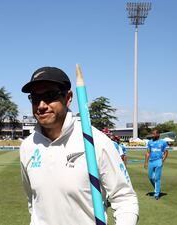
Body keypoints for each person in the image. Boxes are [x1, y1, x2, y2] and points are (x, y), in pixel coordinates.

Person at [20, 66, 139, 225]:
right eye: (35, 98)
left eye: (50, 95)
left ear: (68, 97)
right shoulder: (28, 146)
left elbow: (124, 198)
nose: (41, 105)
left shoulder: (96, 141)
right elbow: (33, 200)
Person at [144, 129, 168, 200]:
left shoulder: (163, 142)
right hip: (151, 161)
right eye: (152, 134)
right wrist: (146, 162)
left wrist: (162, 160)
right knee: (150, 177)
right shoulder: (150, 142)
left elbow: (166, 152)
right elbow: (148, 152)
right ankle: (157, 189)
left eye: (154, 134)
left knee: (157, 178)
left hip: (158, 161)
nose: (152, 135)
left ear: (158, 134)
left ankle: (157, 194)